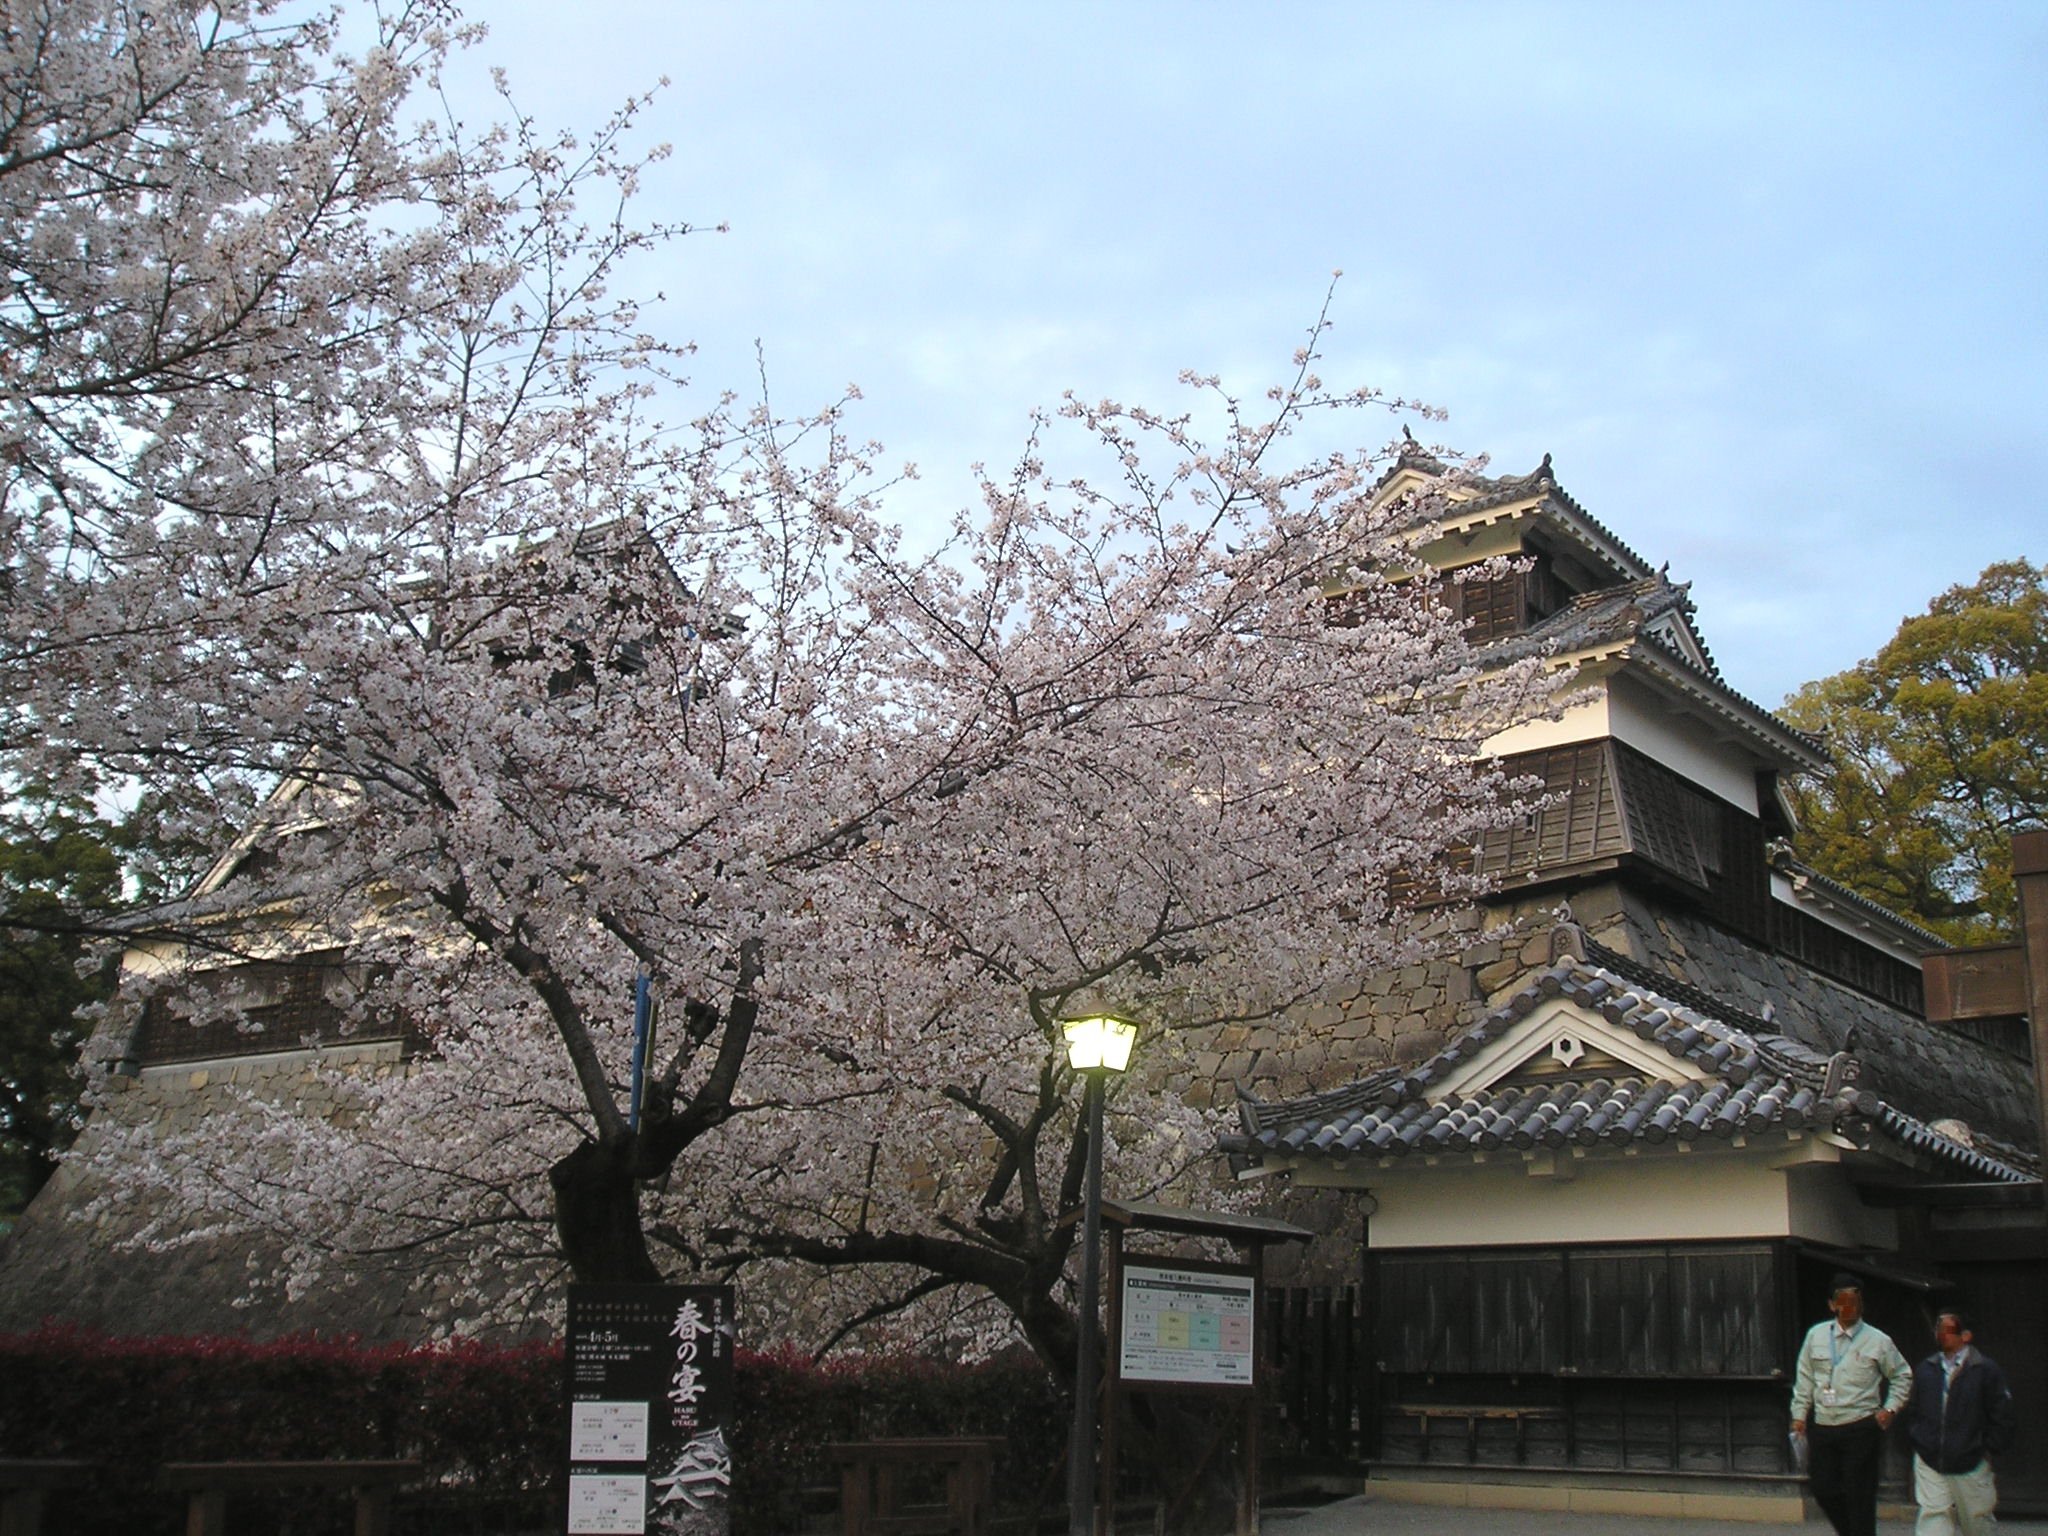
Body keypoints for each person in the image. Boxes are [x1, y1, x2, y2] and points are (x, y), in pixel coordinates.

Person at [1791, 1274, 1913, 1536]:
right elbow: (1805, 1377)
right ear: (1832, 1305)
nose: (1849, 1307)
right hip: (1824, 1423)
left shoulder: (1878, 1340)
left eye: (1854, 1301)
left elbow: (1902, 1375)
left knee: (1860, 1494)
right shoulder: (1816, 1335)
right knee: (1823, 1488)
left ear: (1861, 1304)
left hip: (1861, 1425)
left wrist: (1890, 1408)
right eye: (1843, 1302)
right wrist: (1799, 1415)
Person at [1906, 1308, 2015, 1535]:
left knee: (1977, 1520)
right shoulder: (1927, 1368)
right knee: (1933, 1517)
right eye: (1939, 1328)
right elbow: (1914, 1409)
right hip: (1930, 1456)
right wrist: (1919, 1438)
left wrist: (1986, 1447)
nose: (1943, 1334)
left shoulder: (1985, 1370)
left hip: (1970, 1458)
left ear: (1965, 1335)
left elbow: (2002, 1414)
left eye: (1950, 1330)